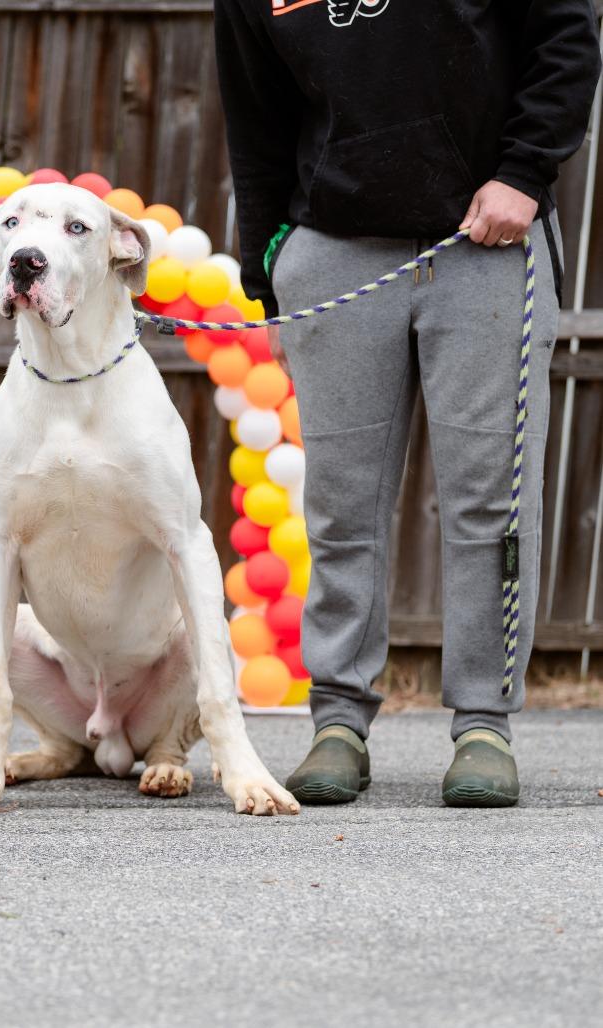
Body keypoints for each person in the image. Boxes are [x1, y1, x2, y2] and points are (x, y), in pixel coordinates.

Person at [214, 0, 600, 806]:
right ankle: (338, 721)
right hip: (333, 254)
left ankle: (484, 724)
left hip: (486, 241)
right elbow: (254, 120)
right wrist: (269, 276)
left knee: (490, 499)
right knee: (340, 502)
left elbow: (565, 34)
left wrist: (524, 172)